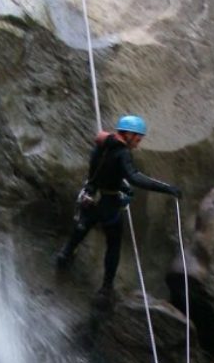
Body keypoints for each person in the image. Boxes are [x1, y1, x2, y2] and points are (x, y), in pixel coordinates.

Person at [55, 114, 182, 301]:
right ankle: (106, 288)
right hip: (108, 203)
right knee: (113, 245)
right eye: (138, 137)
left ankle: (64, 255)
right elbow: (134, 177)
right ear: (129, 134)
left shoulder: (101, 146)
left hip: (90, 195)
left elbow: (103, 171)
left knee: (83, 226)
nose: (139, 142)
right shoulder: (123, 153)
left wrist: (119, 185)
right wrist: (167, 188)